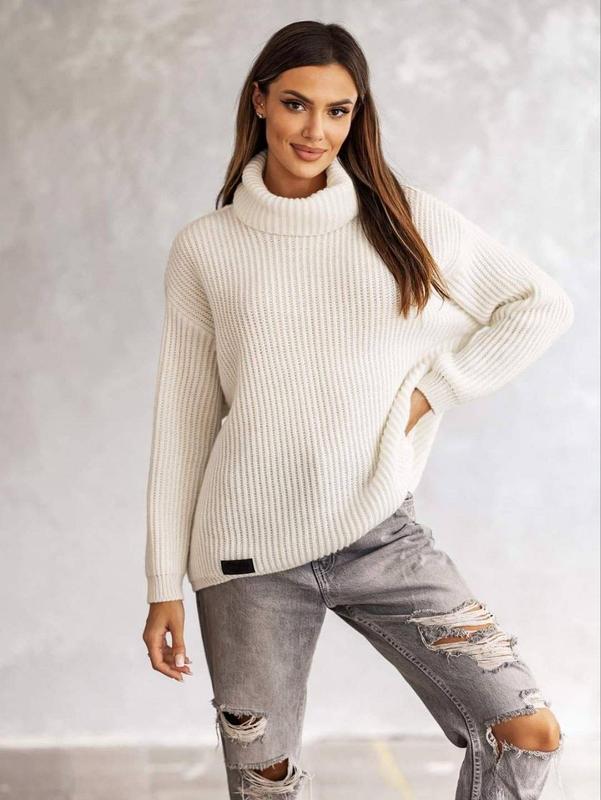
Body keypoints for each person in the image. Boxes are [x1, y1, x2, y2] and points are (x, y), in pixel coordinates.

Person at [142, 20, 574, 800]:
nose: (315, 130)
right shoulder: (207, 247)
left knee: (524, 730)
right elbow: (183, 424)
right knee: (266, 788)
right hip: (245, 558)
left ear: (356, 115)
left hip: (378, 533)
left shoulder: (403, 219)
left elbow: (539, 305)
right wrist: (160, 582)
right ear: (259, 102)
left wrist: (429, 393)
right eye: (296, 104)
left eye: (337, 110)